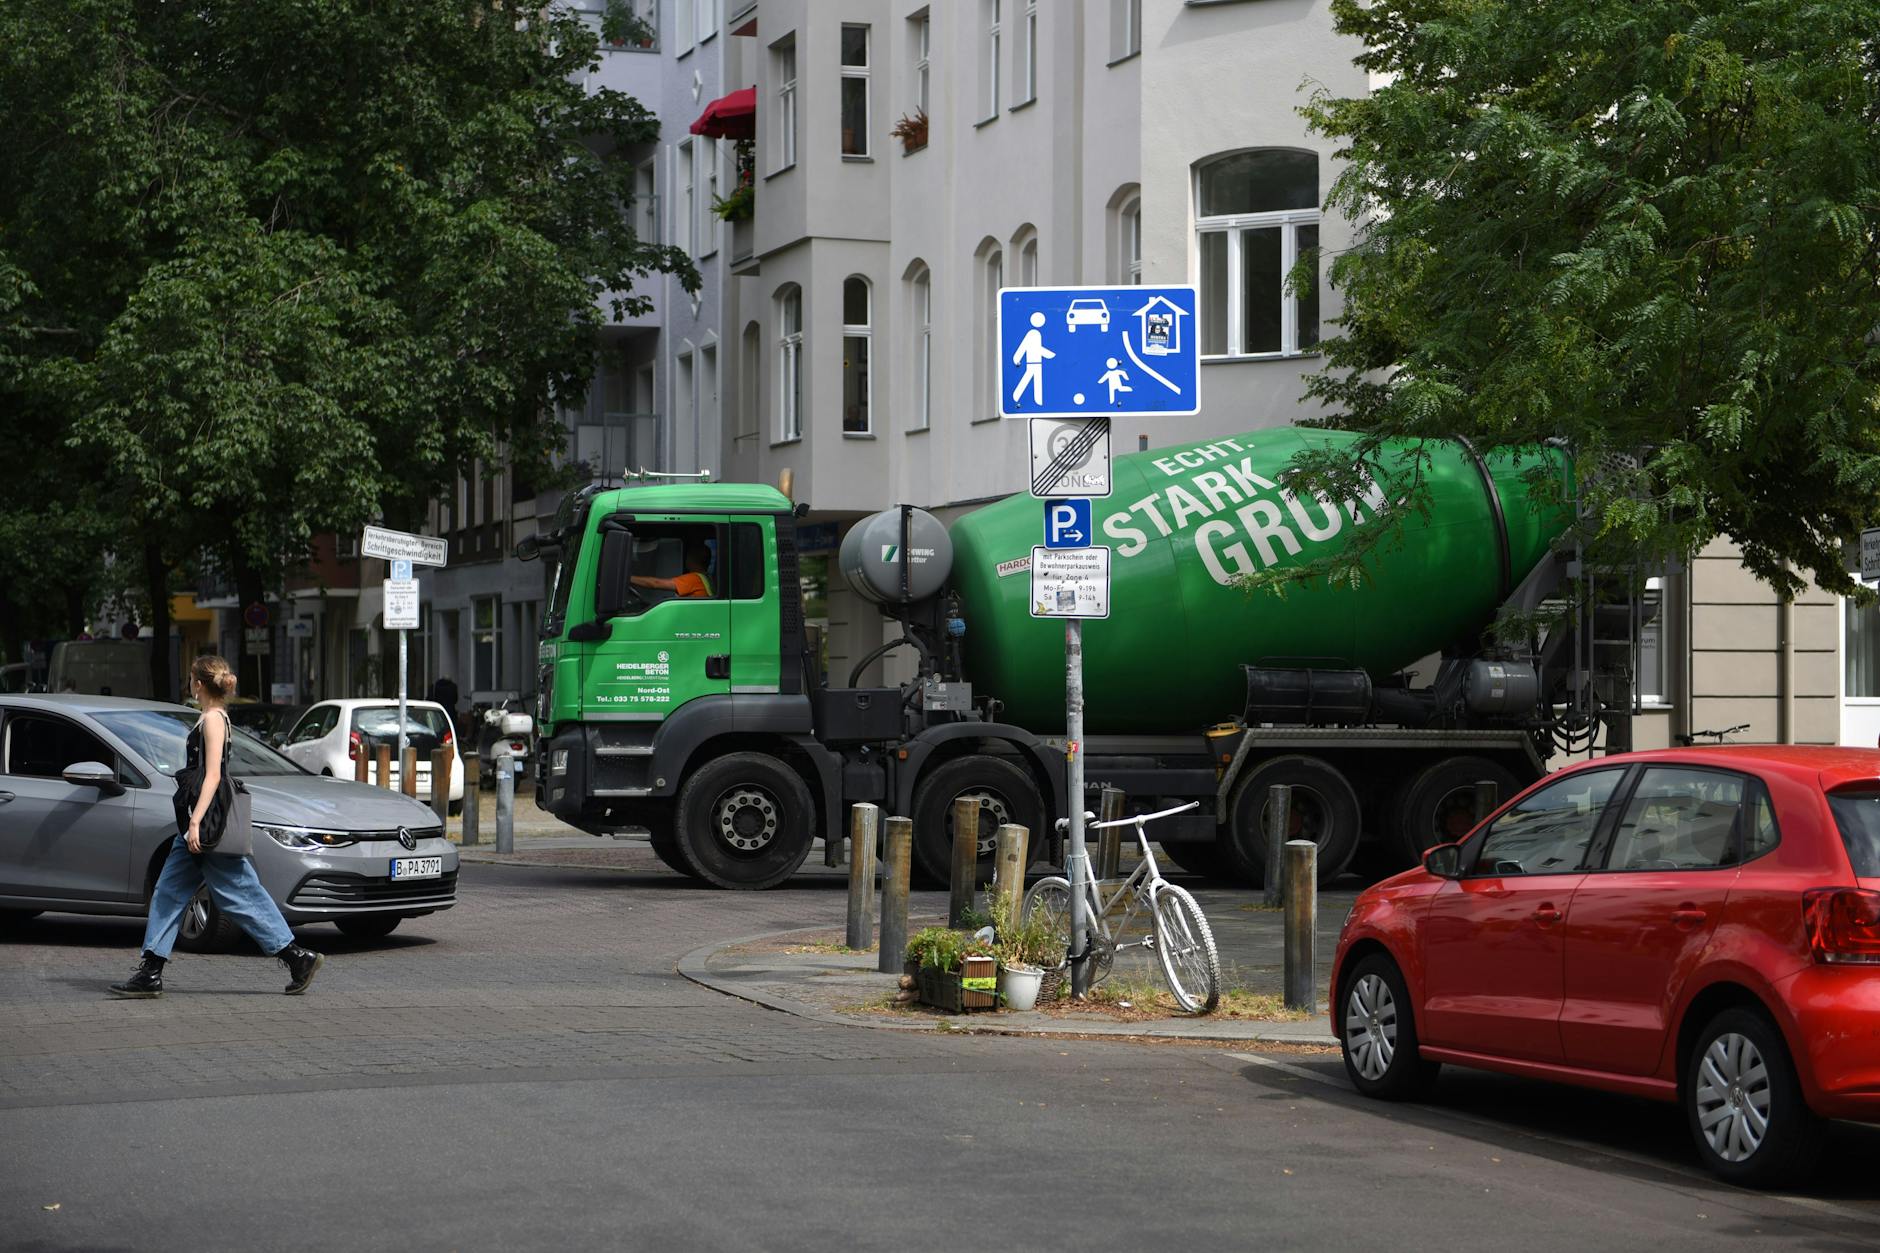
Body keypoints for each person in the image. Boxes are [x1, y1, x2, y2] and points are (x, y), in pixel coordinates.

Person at [110, 655, 325, 999]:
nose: (189, 684)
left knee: (240, 893)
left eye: (190, 679)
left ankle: (296, 956)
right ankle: (151, 971)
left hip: (208, 824)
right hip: (202, 822)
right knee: (171, 892)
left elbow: (213, 775)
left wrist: (196, 821)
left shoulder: (212, 719)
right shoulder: (213, 716)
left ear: (198, 683)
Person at [632, 541, 715, 599]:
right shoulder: (707, 578)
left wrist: (629, 578)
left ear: (691, 559)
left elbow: (655, 583)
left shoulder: (694, 579)